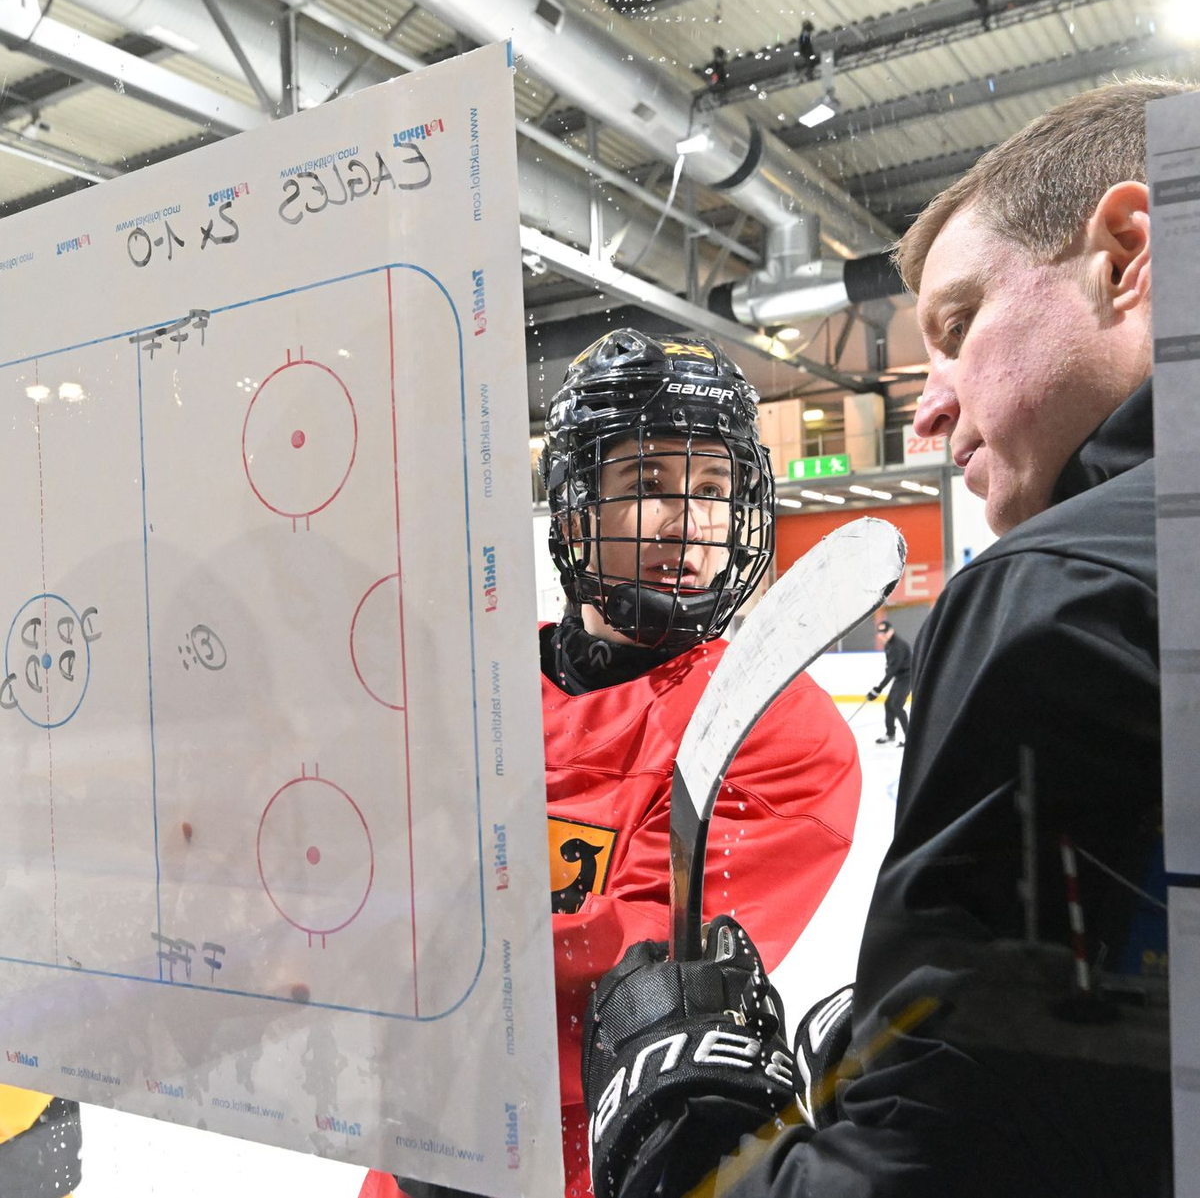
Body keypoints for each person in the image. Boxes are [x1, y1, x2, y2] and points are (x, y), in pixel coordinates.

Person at [581, 78, 1181, 1198]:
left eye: (956, 328)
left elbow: (938, 1179)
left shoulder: (1064, 593)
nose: (927, 406)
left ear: (1127, 253)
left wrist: (696, 1159)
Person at [361, 330, 861, 1198]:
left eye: (714, 487)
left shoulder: (773, 726)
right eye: (648, 483)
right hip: (411, 1157)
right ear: (573, 509)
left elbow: (629, 989)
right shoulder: (464, 693)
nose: (692, 519)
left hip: (585, 1172)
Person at [866, 620, 911, 745]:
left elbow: (892, 670)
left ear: (891, 631)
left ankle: (910, 738)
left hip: (907, 678)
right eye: (880, 633)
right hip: (899, 678)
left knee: (896, 705)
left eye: (885, 632)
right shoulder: (889, 645)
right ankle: (890, 734)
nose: (882, 635)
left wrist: (878, 689)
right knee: (888, 704)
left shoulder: (898, 646)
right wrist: (878, 689)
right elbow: (890, 669)